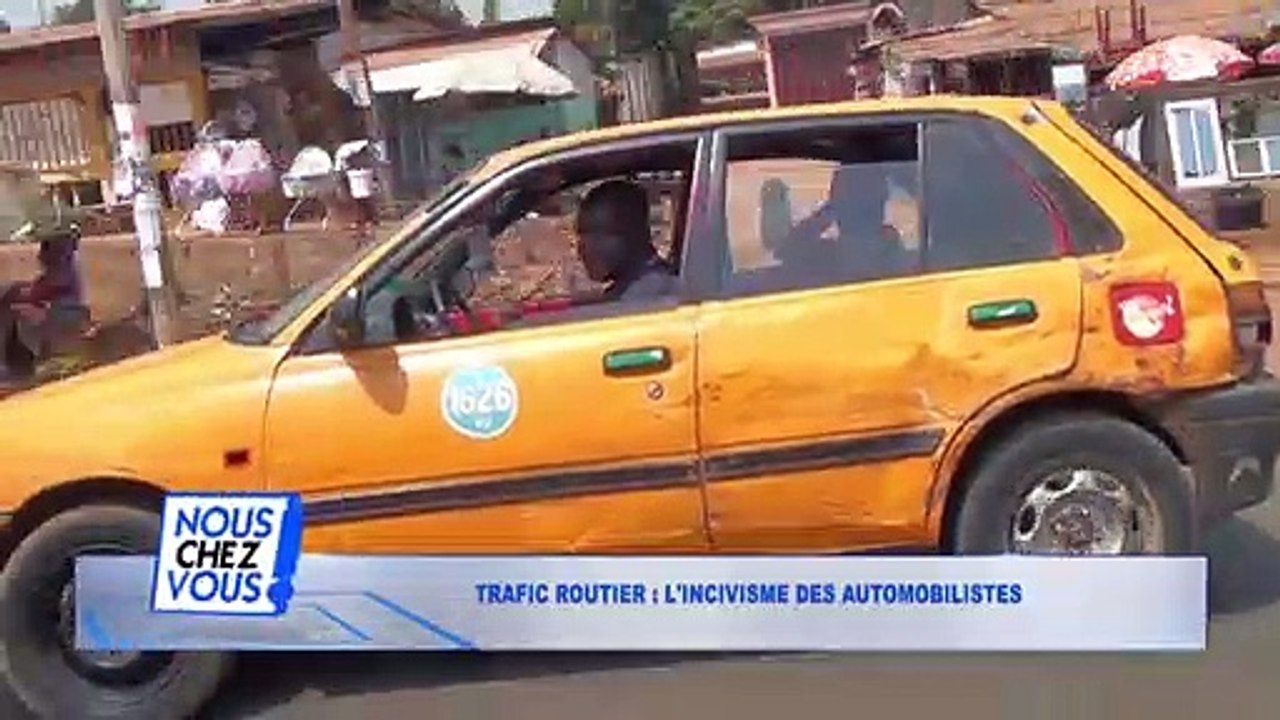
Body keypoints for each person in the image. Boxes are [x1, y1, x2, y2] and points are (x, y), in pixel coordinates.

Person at [0, 232, 86, 380]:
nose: (39, 257)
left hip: (62, 315)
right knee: (14, 306)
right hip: (59, 312)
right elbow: (39, 288)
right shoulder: (62, 268)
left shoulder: (63, 269)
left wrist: (16, 293)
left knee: (14, 312)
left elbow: (44, 290)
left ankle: (17, 365)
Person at [574, 179, 675, 302]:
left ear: (634, 233)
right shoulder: (633, 286)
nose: (581, 249)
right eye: (581, 235)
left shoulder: (648, 296)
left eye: (595, 235)